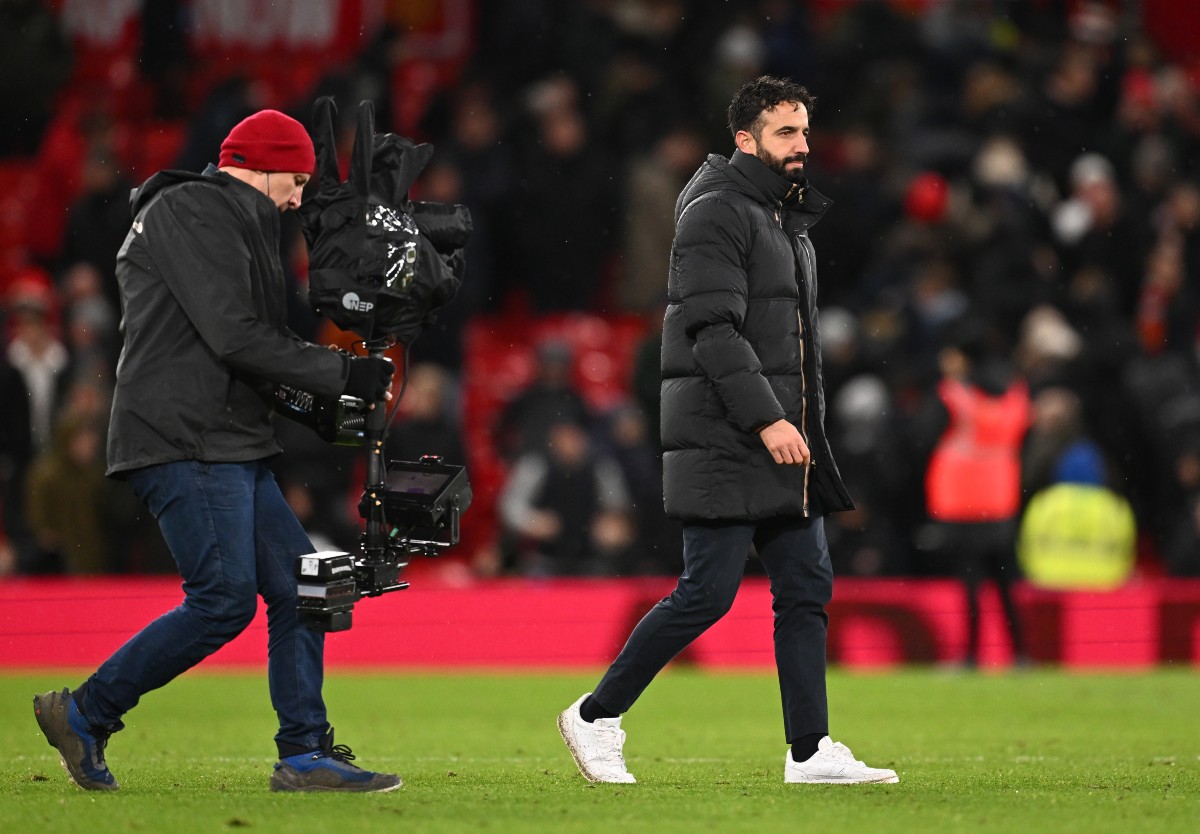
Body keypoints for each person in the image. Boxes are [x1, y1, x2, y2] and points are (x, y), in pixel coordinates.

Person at [32, 109, 401, 793]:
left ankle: (304, 753)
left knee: (306, 590)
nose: (297, 198)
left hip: (222, 435)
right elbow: (236, 337)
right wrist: (339, 371)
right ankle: (85, 711)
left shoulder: (227, 219)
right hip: (185, 436)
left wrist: (319, 407)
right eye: (293, 180)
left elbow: (244, 350)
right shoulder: (193, 211)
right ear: (257, 165)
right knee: (224, 599)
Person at [556, 76, 898, 786]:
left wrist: (796, 423)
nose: (802, 145)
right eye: (784, 133)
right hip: (729, 434)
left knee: (806, 585)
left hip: (779, 438)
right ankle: (595, 715)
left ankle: (809, 751)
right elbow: (710, 331)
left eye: (804, 130)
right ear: (744, 140)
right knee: (707, 593)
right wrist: (768, 416)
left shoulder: (780, 217)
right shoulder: (718, 211)